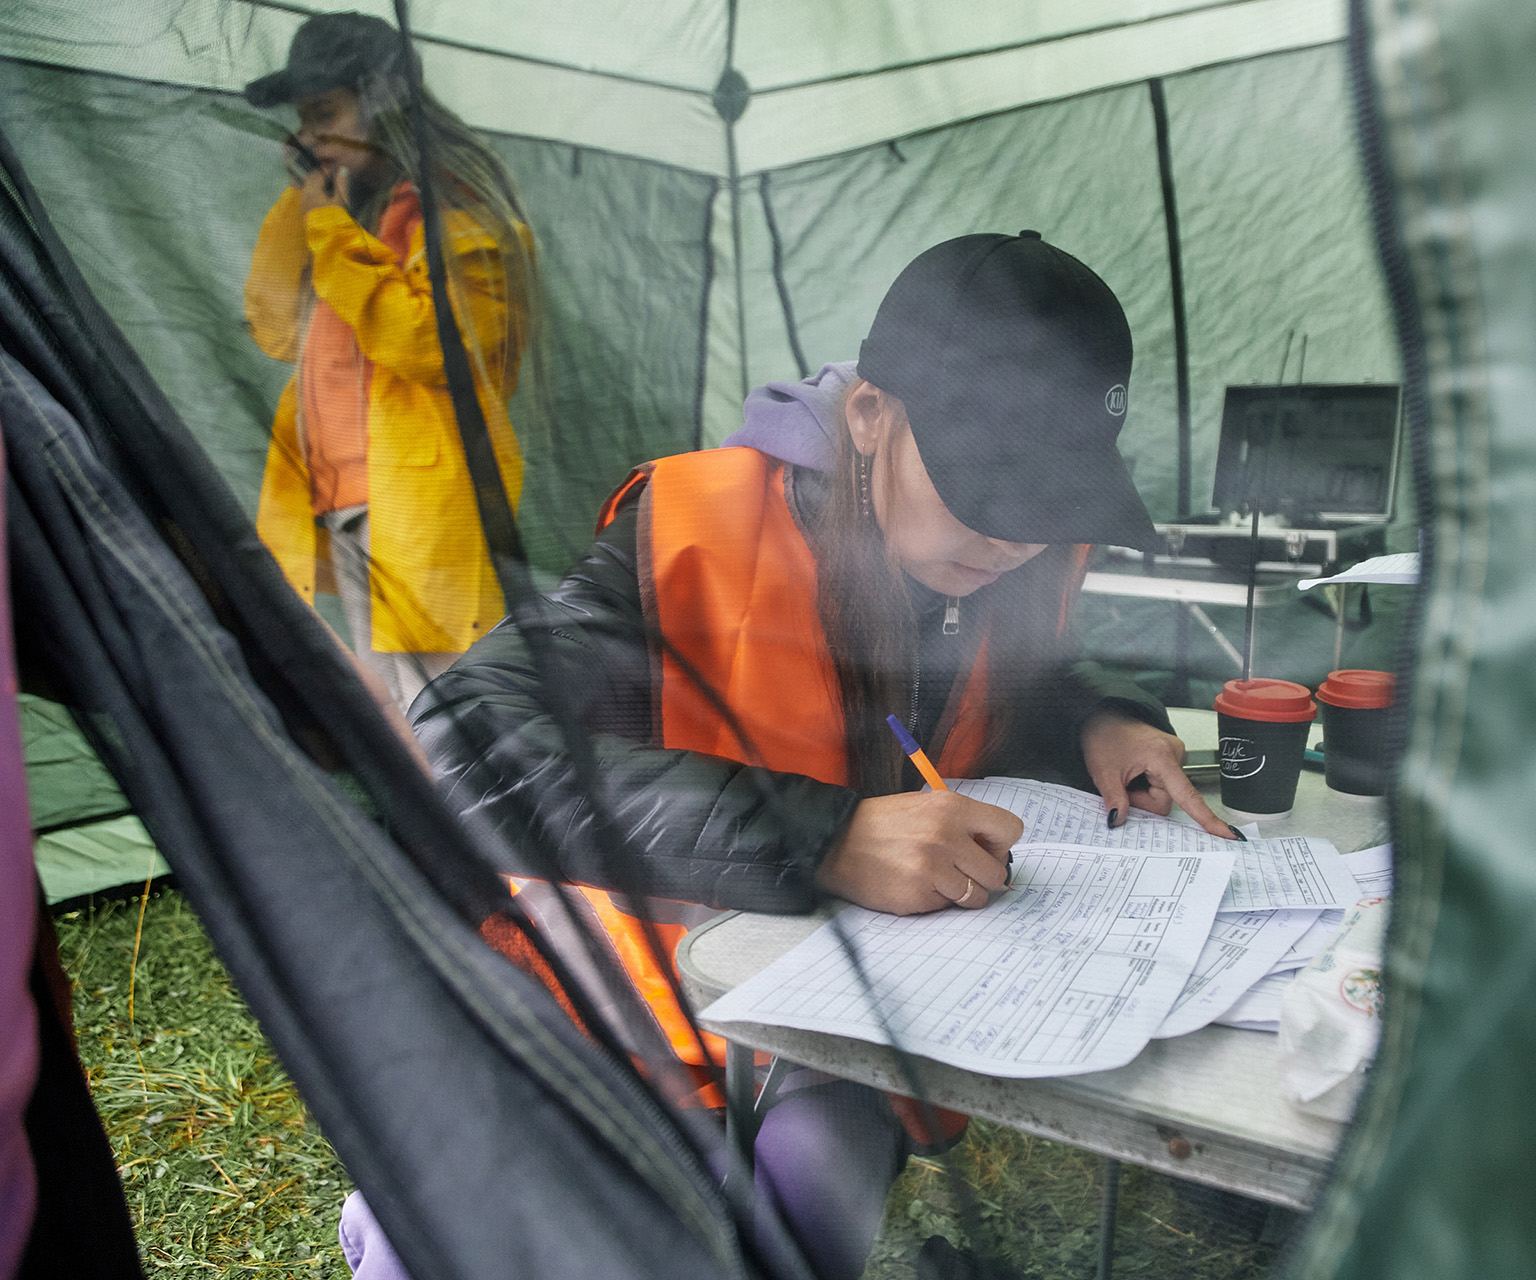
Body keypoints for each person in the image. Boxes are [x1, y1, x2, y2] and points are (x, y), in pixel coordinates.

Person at [411, 230, 1234, 1280]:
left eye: (1050, 501)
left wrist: (1095, 717)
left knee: (818, 1181)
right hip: (624, 1005)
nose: (1015, 541)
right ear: (871, 416)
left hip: (838, 1014)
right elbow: (465, 742)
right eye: (988, 490)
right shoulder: (694, 532)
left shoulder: (1016, 552)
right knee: (496, 1231)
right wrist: (828, 836)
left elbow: (1021, 682)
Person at [242, 12, 533, 712]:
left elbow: (428, 343)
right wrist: (308, 206)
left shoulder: (458, 207)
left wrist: (327, 226)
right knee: (402, 716)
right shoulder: (353, 215)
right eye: (302, 121)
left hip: (421, 501)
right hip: (344, 497)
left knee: (453, 713)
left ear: (385, 100)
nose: (310, 137)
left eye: (325, 114)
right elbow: (275, 328)